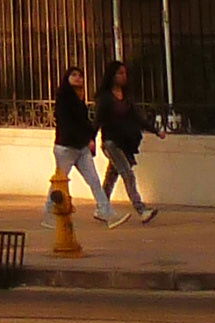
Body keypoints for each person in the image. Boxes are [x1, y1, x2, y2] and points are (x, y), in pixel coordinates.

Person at [96, 59, 156, 226]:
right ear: (112, 76)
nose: (124, 76)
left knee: (112, 175)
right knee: (127, 173)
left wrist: (156, 131)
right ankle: (141, 209)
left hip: (124, 142)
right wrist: (90, 140)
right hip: (111, 142)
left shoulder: (126, 98)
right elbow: (98, 121)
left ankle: (101, 206)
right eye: (120, 73)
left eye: (125, 73)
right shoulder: (106, 98)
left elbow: (137, 117)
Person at [51, 66, 111, 218]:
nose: (78, 78)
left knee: (94, 180)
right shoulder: (64, 98)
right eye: (74, 75)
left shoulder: (79, 99)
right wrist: (85, 138)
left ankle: (106, 211)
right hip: (66, 147)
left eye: (80, 75)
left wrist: (89, 138)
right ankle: (50, 211)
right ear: (67, 78)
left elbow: (84, 122)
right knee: (59, 182)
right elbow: (68, 124)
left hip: (81, 147)